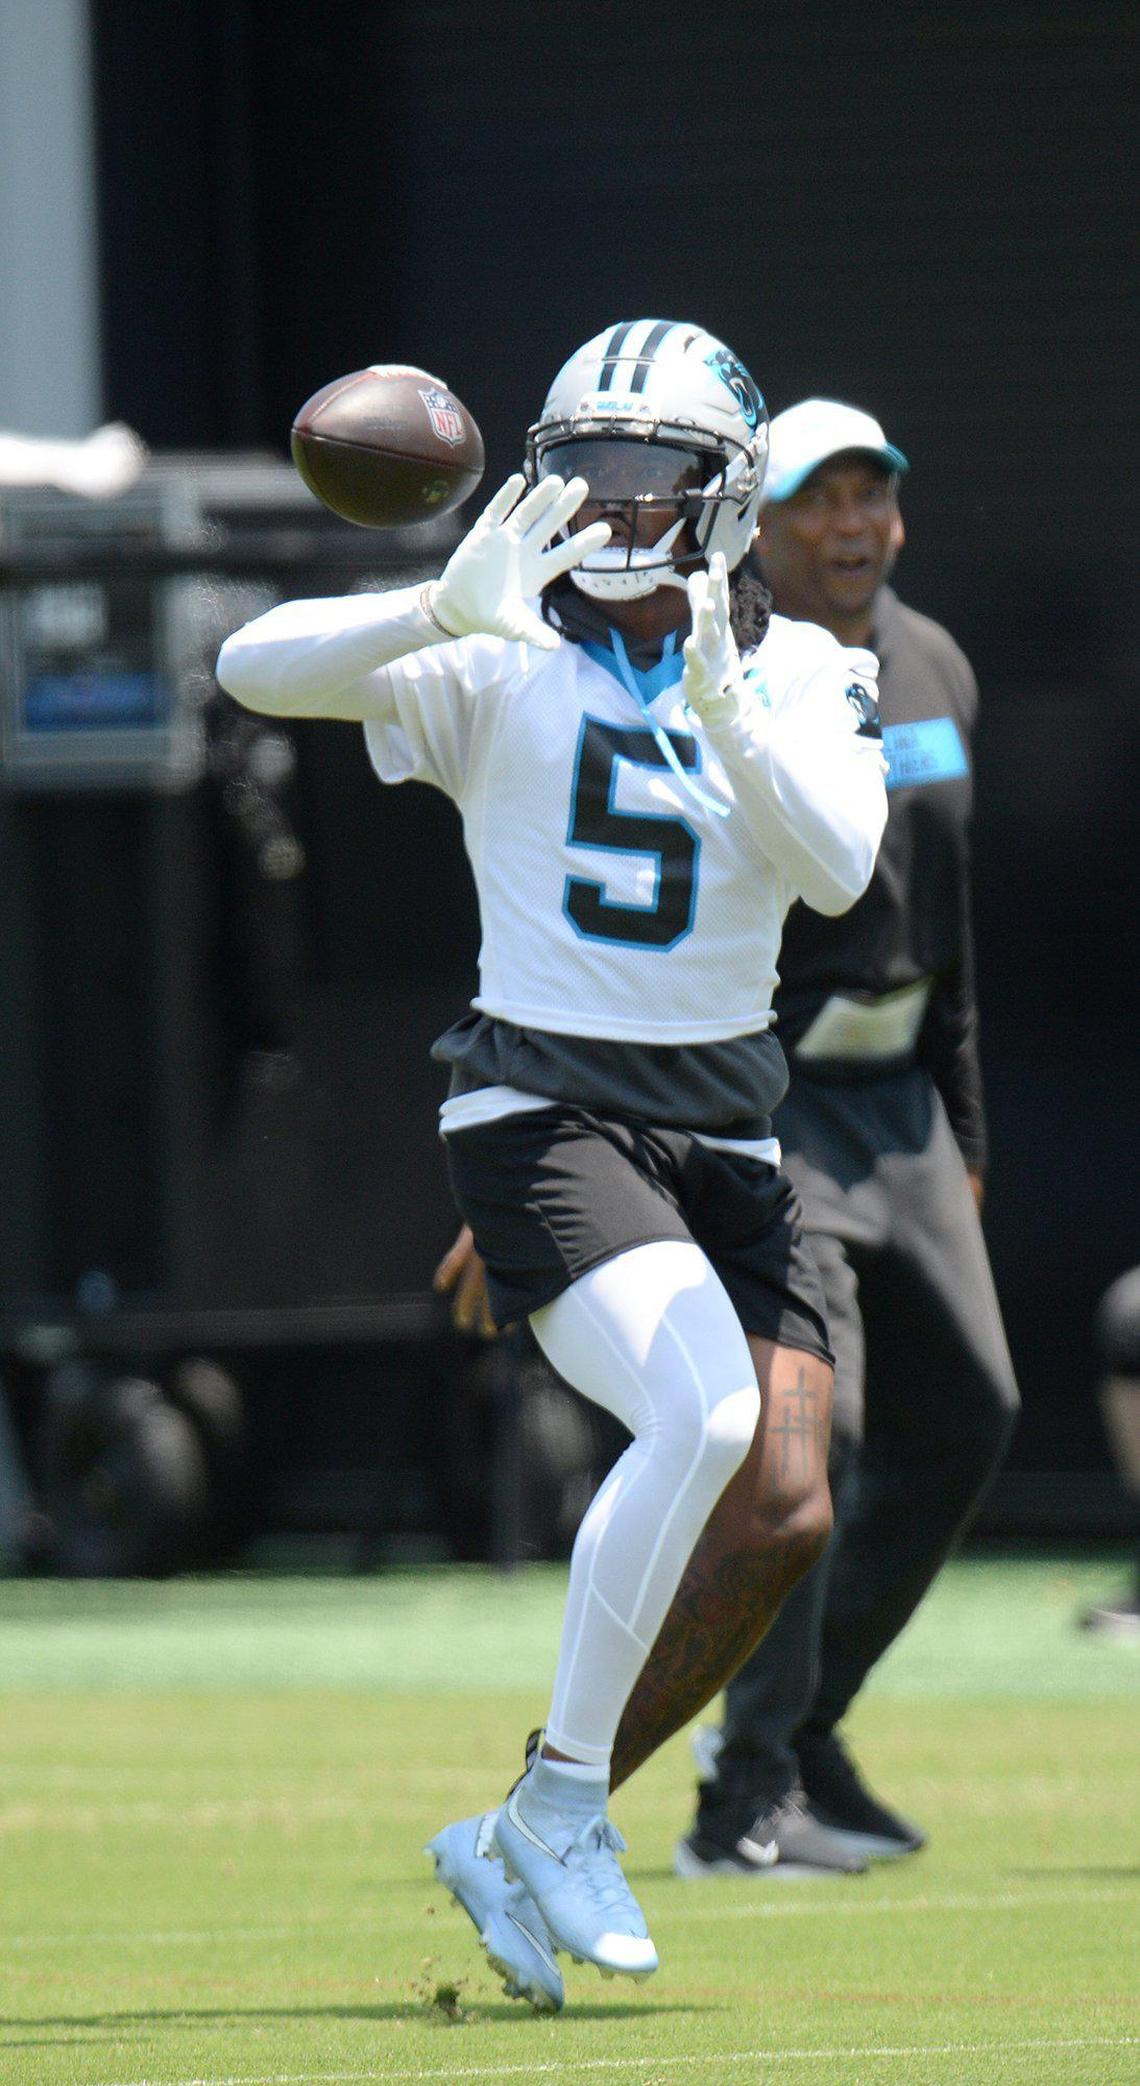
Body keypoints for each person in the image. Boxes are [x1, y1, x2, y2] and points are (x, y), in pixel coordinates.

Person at [217, 321, 888, 2007]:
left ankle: (523, 1813)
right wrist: (433, 603)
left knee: (787, 1498)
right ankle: (575, 1796)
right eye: (587, 468)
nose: (615, 506)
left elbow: (831, 867)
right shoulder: (499, 644)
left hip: (731, 1136)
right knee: (709, 1414)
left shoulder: (802, 666)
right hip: (542, 1108)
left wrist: (728, 686)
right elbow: (248, 664)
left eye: (656, 476)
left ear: (726, 497)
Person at [671, 399, 1021, 1877]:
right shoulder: (718, 672)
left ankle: (806, 1725)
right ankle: (738, 1791)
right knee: (827, 1425)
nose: (854, 525)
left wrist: (968, 1120)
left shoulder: (935, 661)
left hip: (904, 1105)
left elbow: (945, 924)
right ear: (763, 524)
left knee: (974, 1413)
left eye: (874, 497)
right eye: (821, 500)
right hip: (773, 1092)